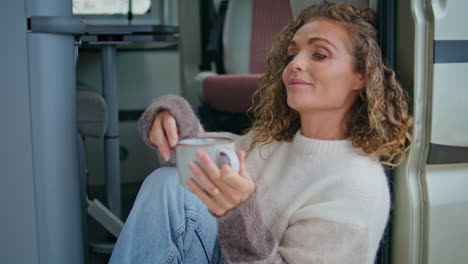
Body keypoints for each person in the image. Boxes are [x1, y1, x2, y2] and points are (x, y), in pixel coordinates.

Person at [109, 1, 412, 263]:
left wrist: (238, 213)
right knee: (168, 184)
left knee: (170, 189)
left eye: (319, 55)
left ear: (361, 76)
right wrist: (169, 114)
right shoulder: (273, 143)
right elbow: (199, 157)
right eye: (292, 55)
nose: (295, 65)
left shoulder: (355, 185)